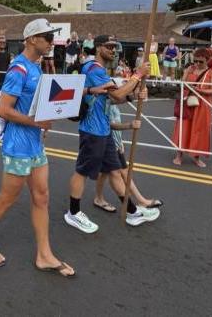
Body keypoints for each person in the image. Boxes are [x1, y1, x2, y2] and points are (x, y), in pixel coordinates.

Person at [0, 19, 74, 277]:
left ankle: (44, 255)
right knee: (8, 197)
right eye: (47, 37)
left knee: (42, 196)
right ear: (31, 39)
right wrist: (36, 121)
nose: (51, 41)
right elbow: (3, 109)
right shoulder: (18, 69)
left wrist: (45, 120)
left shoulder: (36, 68)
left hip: (34, 143)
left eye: (52, 37)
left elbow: (34, 106)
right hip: (18, 144)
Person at [65, 35, 157, 233]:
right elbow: (116, 94)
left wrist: (132, 96)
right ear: (98, 48)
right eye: (109, 46)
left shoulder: (102, 71)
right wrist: (137, 75)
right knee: (82, 171)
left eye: (115, 47)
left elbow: (112, 99)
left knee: (115, 171)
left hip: (104, 129)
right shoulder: (93, 69)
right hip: (92, 130)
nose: (113, 50)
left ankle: (132, 211)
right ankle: (73, 212)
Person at [94, 83, 163, 212]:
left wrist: (135, 95)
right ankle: (136, 204)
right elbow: (110, 125)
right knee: (116, 172)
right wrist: (129, 125)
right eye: (115, 89)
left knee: (107, 172)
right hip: (107, 140)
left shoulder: (111, 101)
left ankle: (99, 198)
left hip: (114, 141)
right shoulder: (103, 103)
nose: (117, 91)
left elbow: (121, 99)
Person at [172, 48, 212, 168]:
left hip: (203, 104)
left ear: (208, 60)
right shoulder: (190, 68)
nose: (197, 64)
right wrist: (187, 85)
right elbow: (182, 82)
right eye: (195, 61)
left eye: (200, 62)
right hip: (188, 101)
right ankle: (179, 155)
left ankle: (197, 156)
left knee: (199, 130)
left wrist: (199, 91)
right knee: (183, 127)